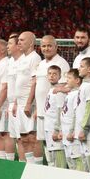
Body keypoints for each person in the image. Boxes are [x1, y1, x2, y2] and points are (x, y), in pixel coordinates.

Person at [33, 35, 64, 164]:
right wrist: (36, 107)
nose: (46, 48)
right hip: (41, 110)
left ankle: (58, 169)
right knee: (45, 142)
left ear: (56, 47)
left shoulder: (61, 63)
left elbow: (63, 88)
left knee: (56, 144)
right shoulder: (41, 64)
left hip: (53, 113)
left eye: (49, 45)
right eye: (44, 46)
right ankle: (51, 167)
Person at [13, 32, 42, 164]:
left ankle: (38, 166)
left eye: (22, 40)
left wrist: (29, 103)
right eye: (18, 40)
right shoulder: (21, 59)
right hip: (20, 104)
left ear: (31, 43)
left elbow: (35, 82)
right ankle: (29, 166)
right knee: (24, 137)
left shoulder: (34, 58)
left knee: (33, 137)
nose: (18, 42)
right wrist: (15, 103)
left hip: (29, 104)